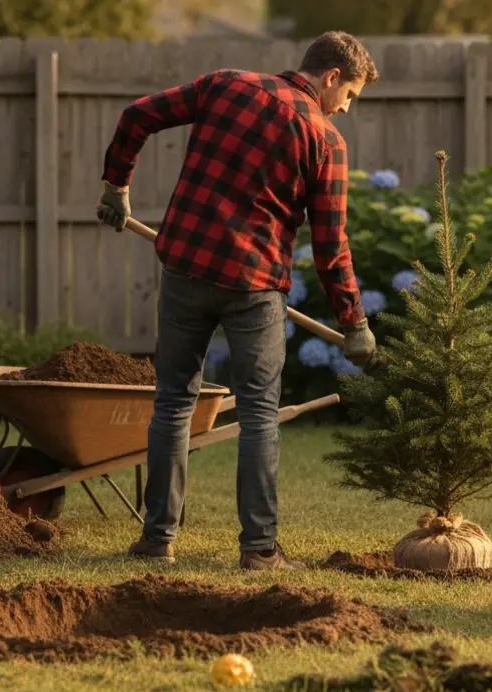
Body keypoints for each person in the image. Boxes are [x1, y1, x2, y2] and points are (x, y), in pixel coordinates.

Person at [95, 31, 379, 571]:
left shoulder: (225, 85)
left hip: (186, 267)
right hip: (253, 287)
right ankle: (259, 550)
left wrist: (117, 186)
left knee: (173, 403)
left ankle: (157, 539)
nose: (346, 108)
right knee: (259, 416)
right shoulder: (326, 140)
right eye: (350, 95)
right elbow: (330, 246)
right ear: (331, 77)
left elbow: (137, 116)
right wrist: (355, 322)